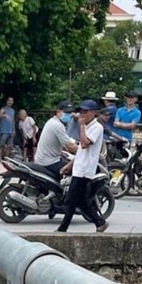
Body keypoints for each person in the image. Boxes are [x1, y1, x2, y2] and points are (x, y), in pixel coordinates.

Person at [57, 100, 108, 233]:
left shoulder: (96, 127)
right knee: (80, 200)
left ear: (93, 113)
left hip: (85, 170)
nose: (82, 115)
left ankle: (63, 228)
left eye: (85, 112)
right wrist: (70, 164)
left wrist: (81, 126)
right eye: (81, 112)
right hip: (79, 167)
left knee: (71, 200)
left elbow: (85, 144)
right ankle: (99, 221)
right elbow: (81, 150)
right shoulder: (87, 126)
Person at [35, 101, 78, 175]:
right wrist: (83, 151)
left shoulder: (51, 121)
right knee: (76, 169)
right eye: (67, 112)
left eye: (70, 112)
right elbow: (70, 147)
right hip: (49, 162)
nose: (69, 115)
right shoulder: (58, 125)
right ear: (58, 112)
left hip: (44, 159)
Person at [0, 97, 15, 161]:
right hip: (4, 130)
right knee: (1, 145)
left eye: (11, 101)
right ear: (7, 101)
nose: (10, 102)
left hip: (10, 130)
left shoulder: (13, 111)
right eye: (9, 100)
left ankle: (6, 158)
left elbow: (13, 120)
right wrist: (4, 115)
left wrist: (14, 129)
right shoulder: (3, 109)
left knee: (9, 145)